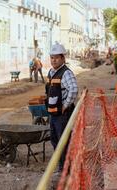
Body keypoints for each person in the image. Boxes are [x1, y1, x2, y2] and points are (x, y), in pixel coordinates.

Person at [45, 42, 78, 171]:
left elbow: (74, 89)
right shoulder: (51, 72)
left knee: (63, 141)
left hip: (63, 114)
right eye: (52, 58)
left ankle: (65, 168)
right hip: (54, 113)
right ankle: (62, 165)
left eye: (56, 58)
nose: (54, 60)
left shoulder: (66, 73)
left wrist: (65, 105)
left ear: (63, 58)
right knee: (55, 140)